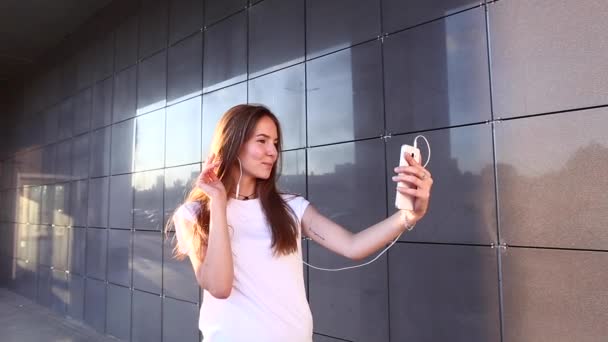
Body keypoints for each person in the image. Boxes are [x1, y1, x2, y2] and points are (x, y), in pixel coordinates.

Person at [165, 104, 433, 341]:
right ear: (233, 143)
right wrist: (219, 204)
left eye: (276, 143)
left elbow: (352, 246)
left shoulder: (291, 207)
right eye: (262, 141)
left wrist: (409, 216)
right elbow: (219, 286)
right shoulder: (194, 215)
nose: (273, 152)